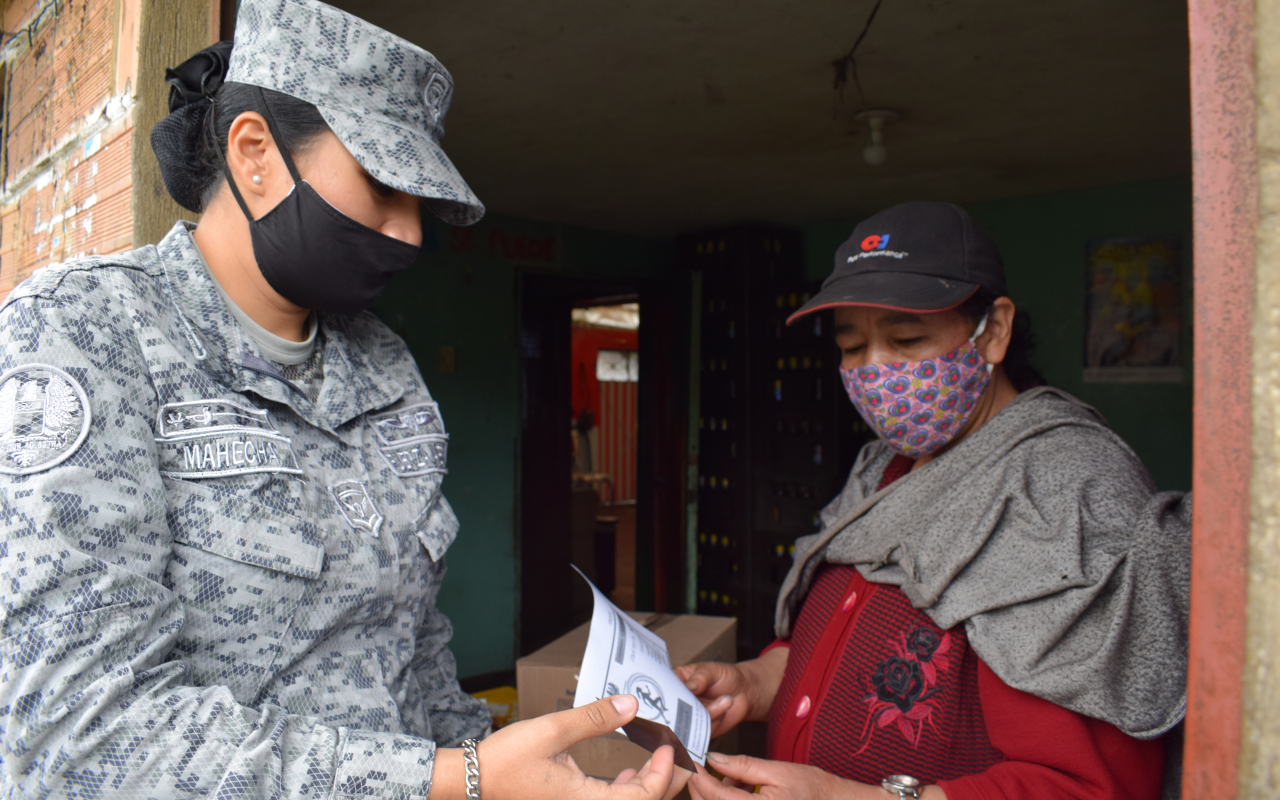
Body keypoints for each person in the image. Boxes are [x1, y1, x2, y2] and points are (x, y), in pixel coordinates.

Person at [0, 1, 687, 798]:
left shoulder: (385, 368)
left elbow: (414, 653)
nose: (410, 234)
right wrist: (454, 779)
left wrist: (522, 773)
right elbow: (76, 735)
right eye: (383, 188)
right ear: (254, 153)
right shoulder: (86, 335)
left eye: (420, 205)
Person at [677, 202, 1190, 800]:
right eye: (851, 346)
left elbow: (1090, 786)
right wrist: (755, 682)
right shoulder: (883, 467)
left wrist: (852, 798)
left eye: (906, 339)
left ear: (993, 331)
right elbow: (840, 641)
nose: (876, 371)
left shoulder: (1061, 492)